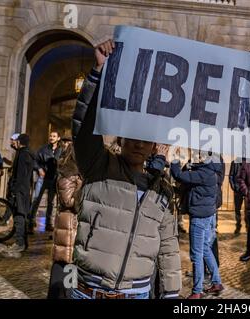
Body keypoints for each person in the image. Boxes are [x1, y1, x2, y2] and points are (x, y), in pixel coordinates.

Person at [70, 39, 181, 299]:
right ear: (122, 138)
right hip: (89, 290)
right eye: (133, 136)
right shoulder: (99, 165)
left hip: (138, 293)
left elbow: (168, 246)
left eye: (146, 139)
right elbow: (83, 128)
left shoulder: (161, 189)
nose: (139, 144)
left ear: (154, 146)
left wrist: (172, 294)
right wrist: (98, 75)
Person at [170, 151, 224, 299]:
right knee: (205, 248)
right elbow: (193, 168)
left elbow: (178, 176)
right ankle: (217, 282)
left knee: (196, 254)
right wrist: (190, 163)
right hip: (209, 214)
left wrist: (174, 159)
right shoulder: (212, 170)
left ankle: (197, 291)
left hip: (199, 217)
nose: (197, 157)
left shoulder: (203, 174)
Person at [47, 141, 82, 299]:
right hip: (68, 227)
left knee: (70, 265)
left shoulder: (77, 172)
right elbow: (68, 201)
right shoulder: (68, 171)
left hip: (73, 226)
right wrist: (84, 186)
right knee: (65, 263)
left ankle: (66, 295)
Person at [3, 134, 35, 256]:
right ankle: (23, 243)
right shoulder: (29, 153)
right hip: (25, 190)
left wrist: (14, 190)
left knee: (18, 216)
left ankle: (19, 243)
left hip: (19, 191)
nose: (14, 142)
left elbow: (20, 174)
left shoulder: (22, 154)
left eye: (16, 140)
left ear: (20, 142)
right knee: (22, 215)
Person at [29, 131, 63, 232]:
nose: (51, 138)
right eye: (50, 136)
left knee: (51, 202)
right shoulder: (43, 149)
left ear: (58, 138)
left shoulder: (61, 150)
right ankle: (31, 222)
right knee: (36, 200)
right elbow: (35, 160)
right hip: (42, 178)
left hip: (54, 179)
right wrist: (39, 169)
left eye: (54, 136)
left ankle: (49, 224)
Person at [229, 158, 244, 234]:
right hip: (237, 190)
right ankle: (238, 224)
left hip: (247, 189)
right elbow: (231, 176)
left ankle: (249, 224)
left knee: (249, 209)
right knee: (237, 209)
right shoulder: (234, 162)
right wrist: (234, 187)